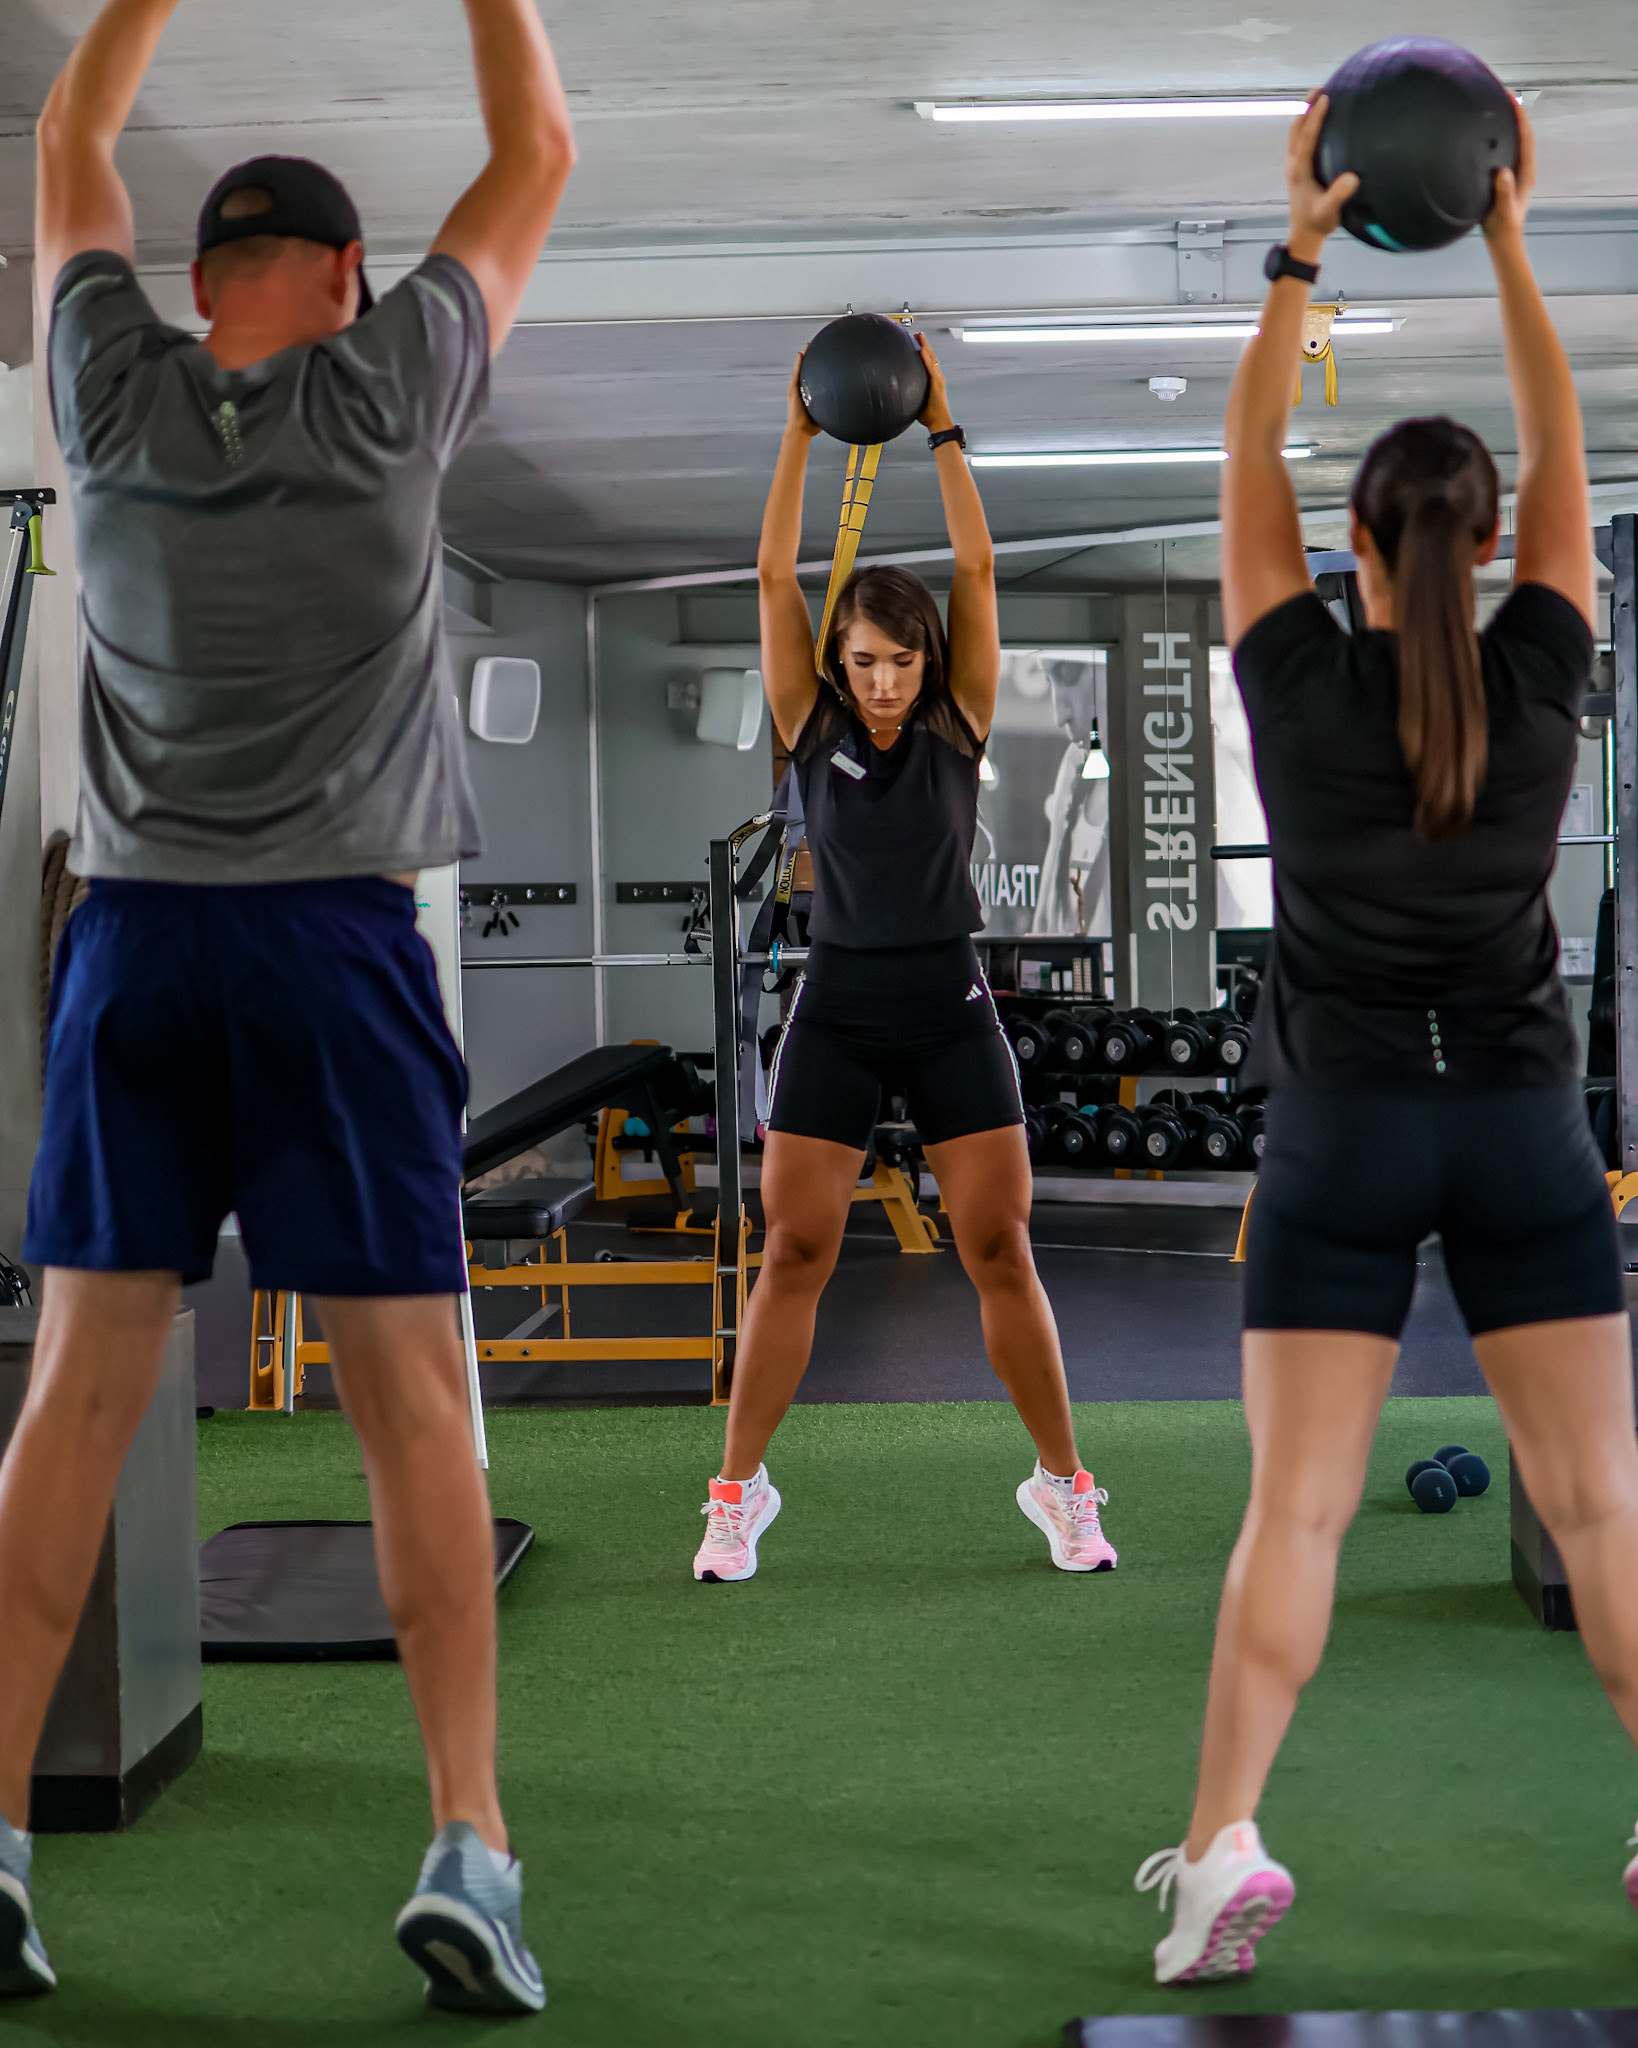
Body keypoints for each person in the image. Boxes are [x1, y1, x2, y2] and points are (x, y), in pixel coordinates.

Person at [0, 0, 573, 2014]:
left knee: (78, 1399)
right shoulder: (391, 387)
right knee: (409, 1403)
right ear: (344, 277)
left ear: (196, 279)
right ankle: (468, 1843)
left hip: (136, 952)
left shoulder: (106, 388)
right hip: (334, 949)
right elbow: (535, 155)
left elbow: (70, 143)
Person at [1135, 99, 1638, 1983]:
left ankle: (1219, 1852)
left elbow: (1242, 448)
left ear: (1348, 542)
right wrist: (1504, 233)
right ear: (1495, 542)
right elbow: (1566, 442)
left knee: (1299, 1509)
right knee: (1598, 1508)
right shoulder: (1542, 674)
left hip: (1339, 1137)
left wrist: (1298, 246)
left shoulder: (1291, 679)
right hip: (1518, 1131)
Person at [691, 340, 1117, 1585]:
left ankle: (1063, 1485)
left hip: (947, 1005)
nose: (882, 682)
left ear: (930, 660)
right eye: (864, 661)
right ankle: (737, 1493)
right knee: (794, 1252)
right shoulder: (806, 722)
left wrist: (945, 426)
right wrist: (797, 434)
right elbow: (772, 572)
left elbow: (975, 567)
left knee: (1000, 1248)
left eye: (902, 660)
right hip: (836, 1009)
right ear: (839, 662)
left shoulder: (958, 725)